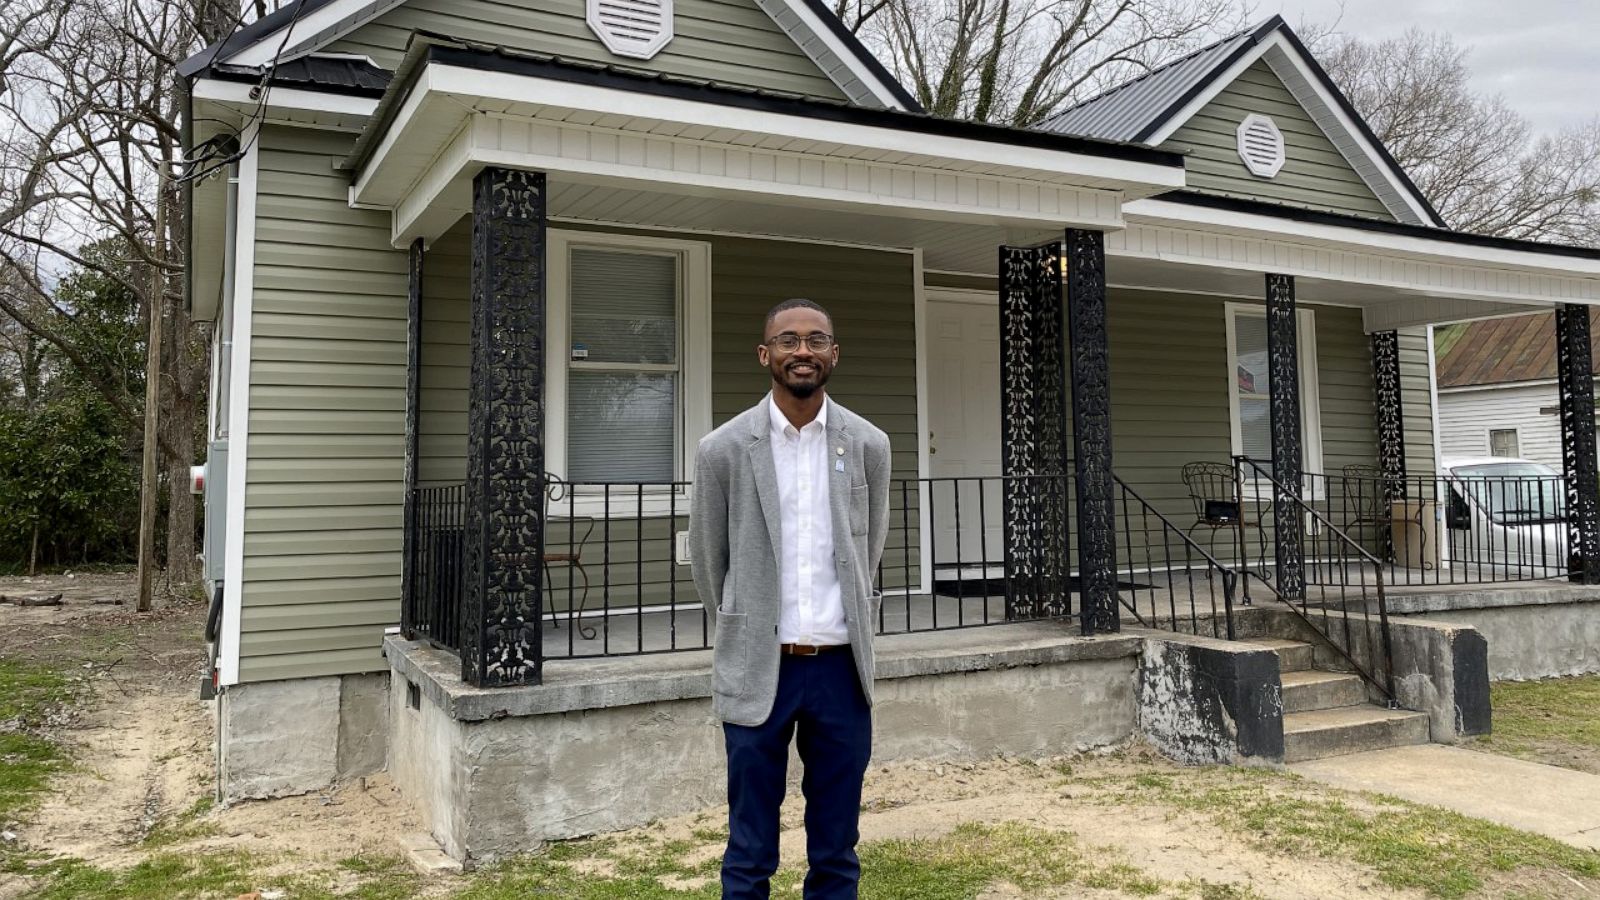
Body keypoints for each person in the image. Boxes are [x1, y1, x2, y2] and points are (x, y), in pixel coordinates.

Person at [689, 297, 892, 899]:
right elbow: (708, 560)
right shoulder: (722, 450)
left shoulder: (868, 445)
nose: (802, 350)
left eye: (815, 339)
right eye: (788, 340)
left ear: (833, 353)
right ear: (765, 354)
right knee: (749, 846)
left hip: (840, 670)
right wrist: (741, 626)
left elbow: (869, 548)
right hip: (760, 666)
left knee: (836, 845)